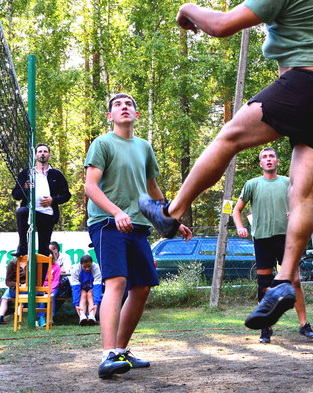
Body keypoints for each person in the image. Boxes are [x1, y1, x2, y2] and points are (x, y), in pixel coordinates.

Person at [144, 0, 313, 331]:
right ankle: (283, 282)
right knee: (302, 193)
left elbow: (221, 26)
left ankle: (170, 212)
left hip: (305, 84)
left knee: (229, 138)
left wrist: (187, 9)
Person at [84, 93, 192, 378]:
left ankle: (121, 351)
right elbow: (91, 188)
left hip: (138, 226)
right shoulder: (102, 143)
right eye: (117, 105)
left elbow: (152, 189)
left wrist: (172, 221)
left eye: (129, 104)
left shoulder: (144, 147)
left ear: (136, 114)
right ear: (110, 116)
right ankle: (108, 354)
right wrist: (117, 212)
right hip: (107, 223)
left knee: (142, 287)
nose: (124, 107)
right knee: (116, 282)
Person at [232, 147, 313, 344]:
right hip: (262, 239)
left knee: (294, 281)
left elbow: (303, 205)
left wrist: (295, 212)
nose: (268, 160)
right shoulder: (252, 184)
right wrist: (240, 227)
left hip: (287, 239)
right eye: (264, 157)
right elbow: (237, 210)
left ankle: (304, 325)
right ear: (260, 163)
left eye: (272, 156)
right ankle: (265, 327)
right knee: (264, 286)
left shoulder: (288, 183)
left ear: (277, 162)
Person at [11, 143, 71, 257]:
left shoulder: (56, 174)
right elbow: (15, 194)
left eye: (45, 151)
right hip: (30, 212)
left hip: (47, 214)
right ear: (35, 156)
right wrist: (25, 188)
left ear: (49, 155)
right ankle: (22, 247)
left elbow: (66, 195)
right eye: (39, 151)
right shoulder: (27, 173)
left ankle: (42, 274)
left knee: (43, 251)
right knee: (21, 211)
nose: (42, 154)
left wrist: (53, 200)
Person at [0, 257, 25, 325]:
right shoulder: (12, 263)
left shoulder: (33, 262)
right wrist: (17, 285)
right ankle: (0, 317)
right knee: (4, 298)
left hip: (28, 287)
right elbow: (8, 281)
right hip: (15, 287)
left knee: (25, 295)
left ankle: (20, 309)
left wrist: (26, 285)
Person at [69, 254, 101, 326]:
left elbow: (97, 286)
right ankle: (82, 315)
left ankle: (92, 315)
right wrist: (76, 304)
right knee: (83, 295)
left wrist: (96, 303)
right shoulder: (75, 269)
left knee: (90, 294)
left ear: (92, 263)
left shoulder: (96, 268)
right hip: (81, 288)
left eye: (89, 266)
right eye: (84, 267)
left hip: (91, 287)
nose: (87, 269)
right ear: (81, 264)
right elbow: (76, 288)